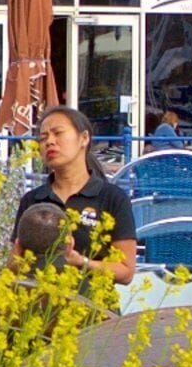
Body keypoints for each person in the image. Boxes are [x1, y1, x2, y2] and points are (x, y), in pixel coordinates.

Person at [16, 106, 138, 283]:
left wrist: (81, 262)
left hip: (92, 304)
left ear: (84, 138)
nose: (49, 142)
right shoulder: (33, 200)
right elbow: (14, 262)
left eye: (58, 133)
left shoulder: (112, 198)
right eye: (43, 138)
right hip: (41, 304)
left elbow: (126, 271)